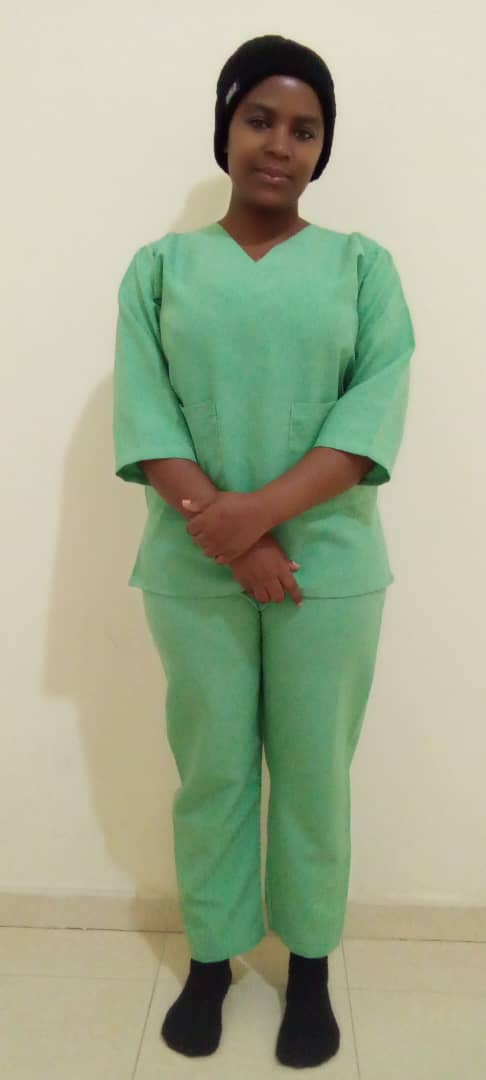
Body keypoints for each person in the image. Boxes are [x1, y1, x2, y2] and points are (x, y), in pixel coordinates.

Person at [112, 33, 415, 1069]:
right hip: (194, 567)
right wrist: (230, 534)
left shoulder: (364, 269)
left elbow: (371, 414)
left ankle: (312, 966)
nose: (280, 145)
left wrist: (256, 519)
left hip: (328, 570)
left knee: (316, 773)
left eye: (305, 129)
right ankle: (212, 956)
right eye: (259, 120)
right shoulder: (160, 270)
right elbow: (147, 411)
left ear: (323, 148)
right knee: (211, 769)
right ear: (225, 127)